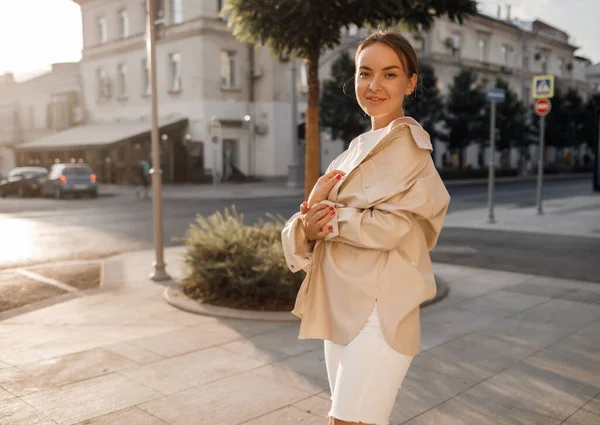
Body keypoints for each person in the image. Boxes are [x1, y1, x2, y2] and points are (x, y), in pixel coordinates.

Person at [281, 30, 451, 425]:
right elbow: (309, 223)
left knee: (344, 422)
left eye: (390, 74)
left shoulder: (408, 146)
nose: (374, 85)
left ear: (410, 82)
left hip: (380, 313)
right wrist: (308, 225)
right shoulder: (356, 147)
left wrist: (328, 218)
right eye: (365, 73)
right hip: (341, 306)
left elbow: (389, 228)